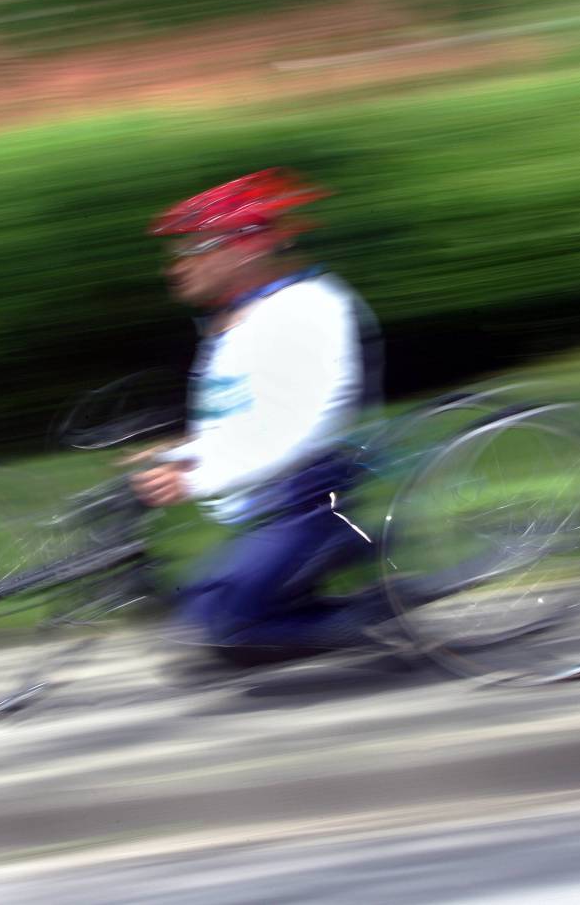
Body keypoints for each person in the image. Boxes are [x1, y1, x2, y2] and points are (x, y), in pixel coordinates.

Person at [130, 168, 391, 660]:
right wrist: (184, 453)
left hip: (313, 502)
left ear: (244, 248)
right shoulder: (240, 320)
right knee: (193, 612)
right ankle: (331, 593)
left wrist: (195, 481)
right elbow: (246, 418)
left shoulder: (307, 308)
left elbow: (299, 428)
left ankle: (385, 614)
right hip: (273, 506)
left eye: (192, 250)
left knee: (223, 625)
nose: (175, 267)